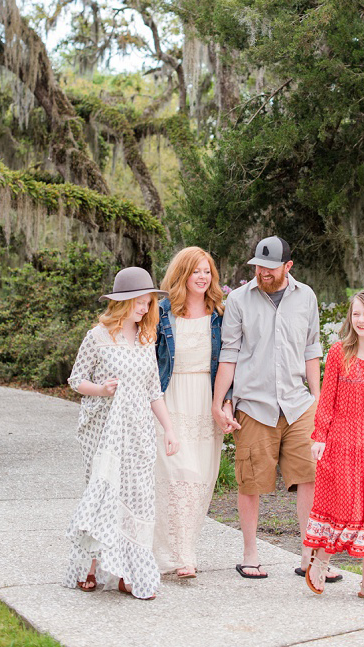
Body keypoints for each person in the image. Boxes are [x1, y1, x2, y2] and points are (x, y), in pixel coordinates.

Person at [211, 236, 326, 581]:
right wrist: (219, 403)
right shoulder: (239, 300)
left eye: (269, 268)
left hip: (298, 404)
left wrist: (318, 398)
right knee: (251, 481)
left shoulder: (305, 296)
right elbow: (228, 354)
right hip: (255, 405)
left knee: (309, 476)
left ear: (288, 267)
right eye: (258, 266)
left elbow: (311, 349)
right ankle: (250, 554)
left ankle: (308, 555)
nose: (262, 272)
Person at [64, 267, 179, 600]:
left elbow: (154, 390)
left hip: (139, 431)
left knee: (137, 498)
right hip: (104, 433)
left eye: (148, 303)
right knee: (104, 495)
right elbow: (76, 380)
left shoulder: (147, 338)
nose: (145, 309)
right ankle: (90, 567)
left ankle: (129, 573)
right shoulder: (97, 336)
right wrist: (100, 389)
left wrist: (169, 429)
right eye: (140, 302)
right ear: (124, 302)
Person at [303, 289, 364, 602]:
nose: (360, 320)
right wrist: (320, 436)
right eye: (355, 314)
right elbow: (327, 401)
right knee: (341, 505)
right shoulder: (339, 353)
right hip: (341, 442)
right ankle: (320, 563)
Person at [152, 247, 225, 579]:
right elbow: (147, 359)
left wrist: (226, 402)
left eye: (207, 271)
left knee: (201, 480)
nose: (202, 277)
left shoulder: (219, 314)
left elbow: (230, 361)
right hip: (171, 399)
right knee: (179, 476)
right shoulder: (162, 312)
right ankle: (183, 556)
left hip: (205, 401)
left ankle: (184, 548)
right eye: (196, 271)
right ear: (182, 274)